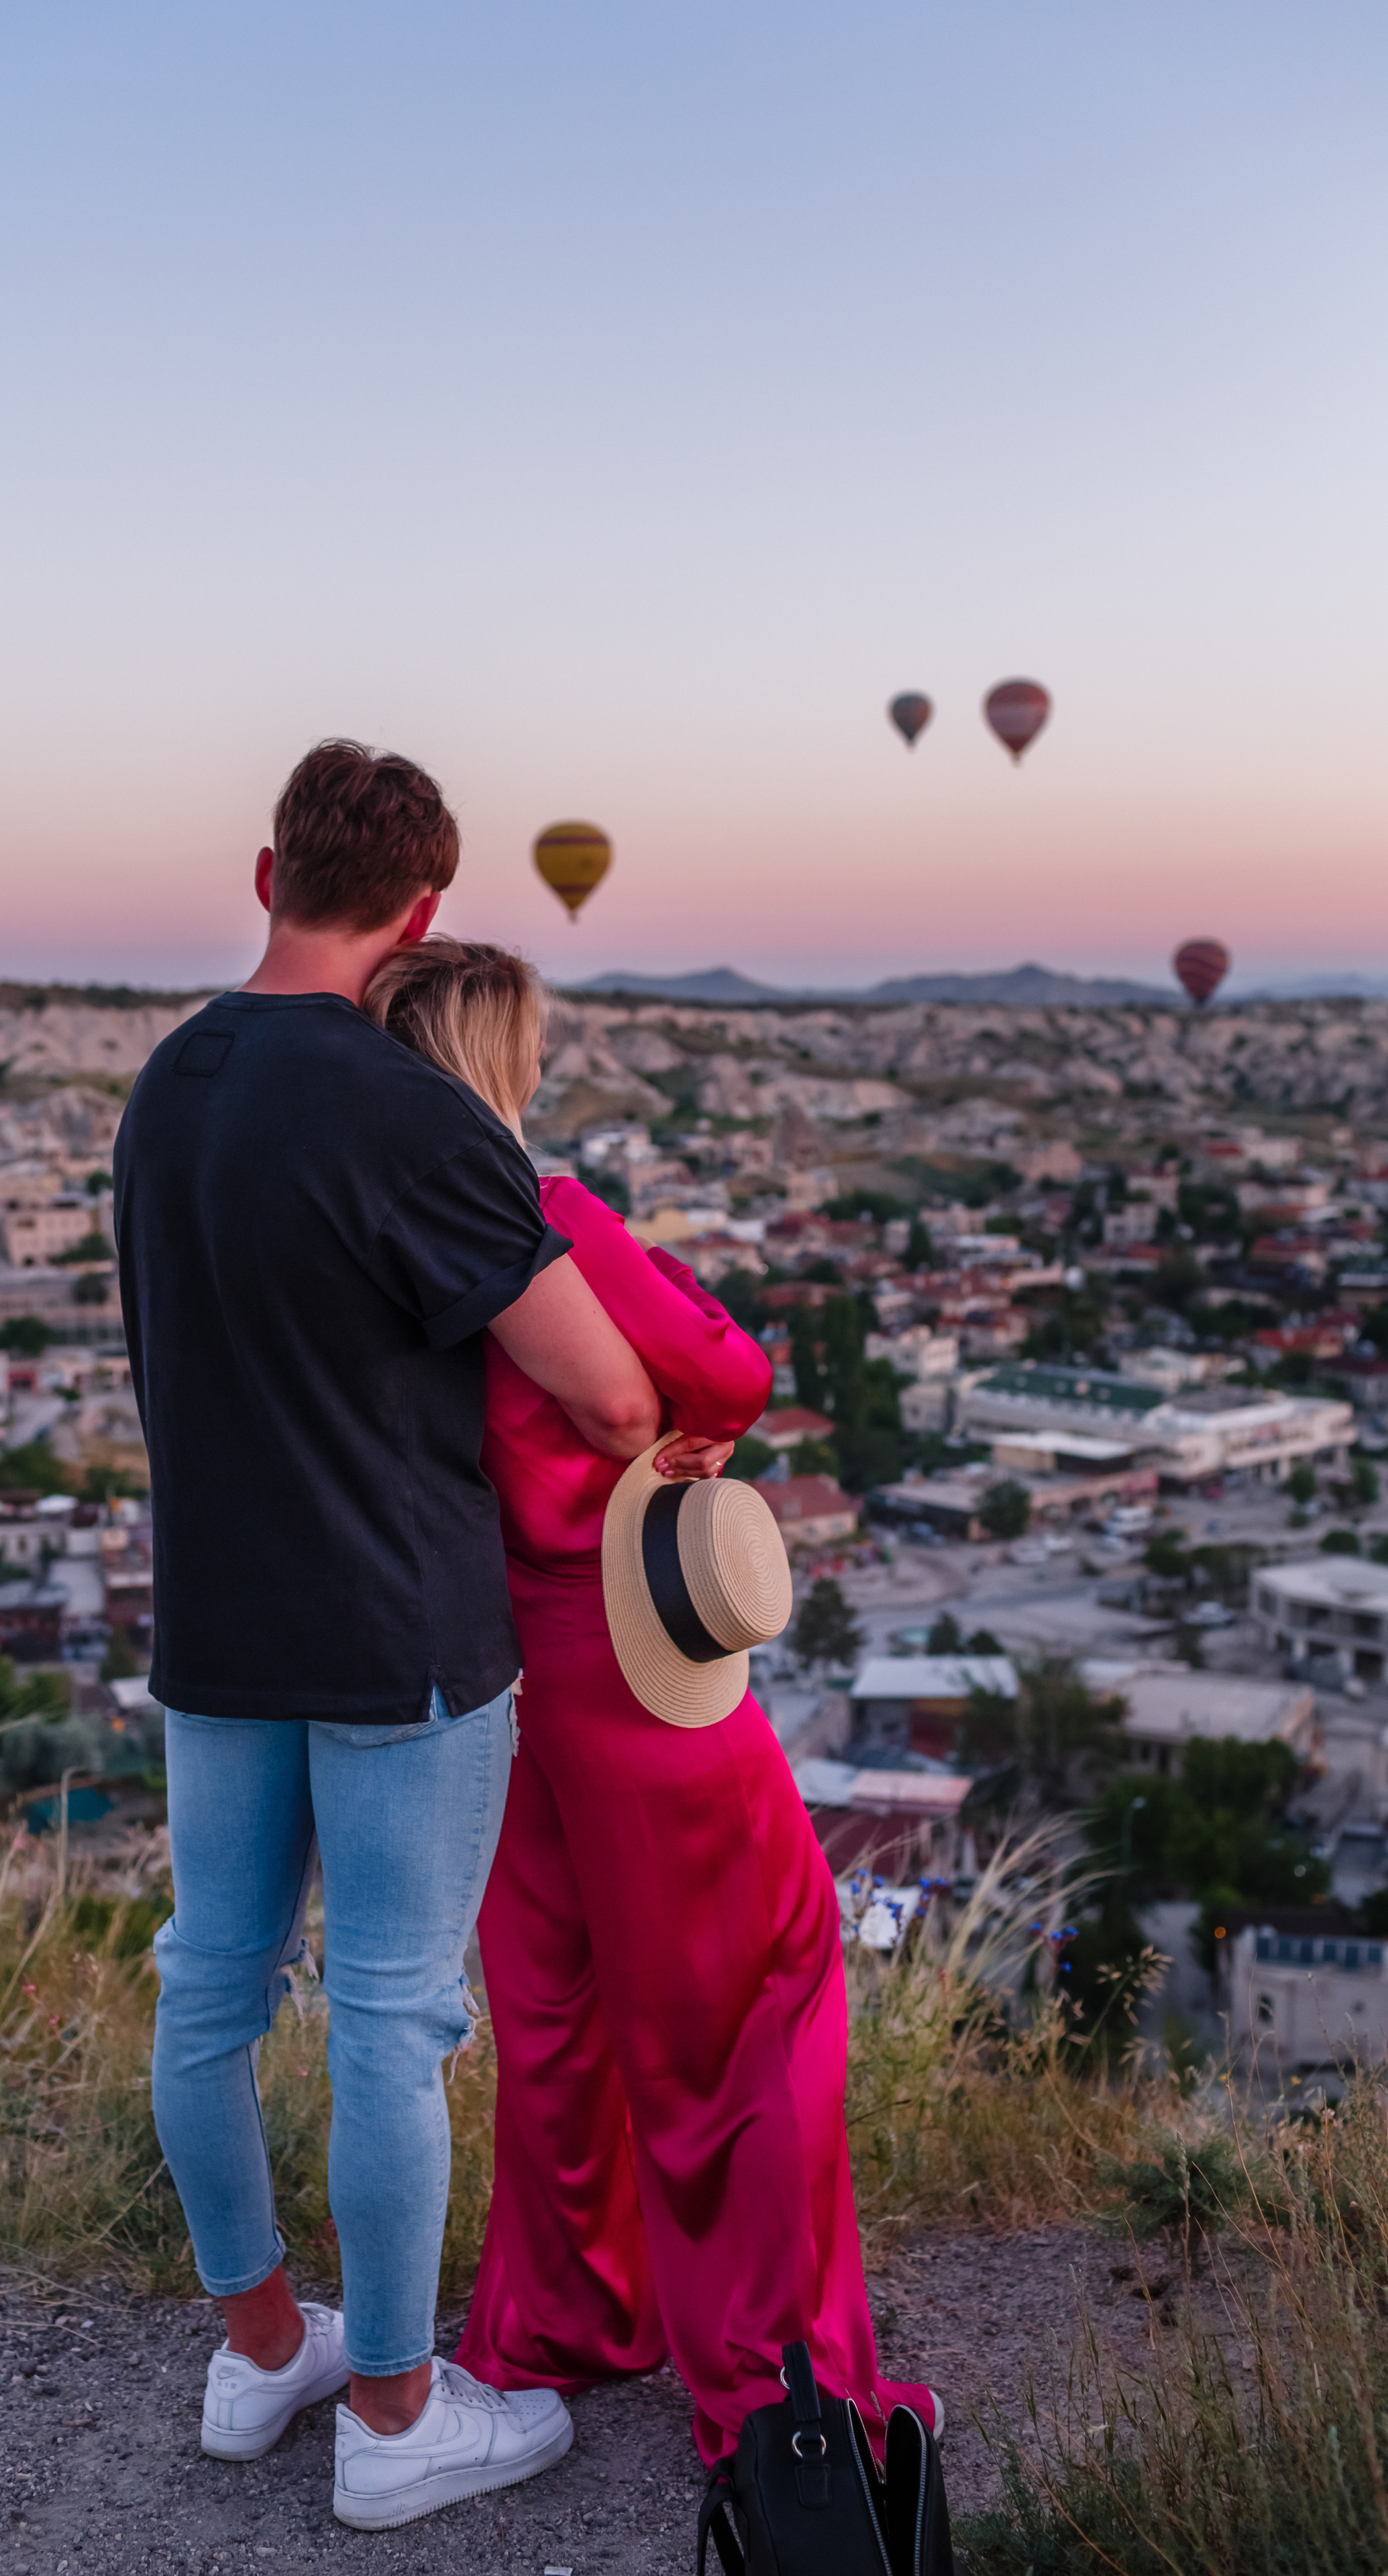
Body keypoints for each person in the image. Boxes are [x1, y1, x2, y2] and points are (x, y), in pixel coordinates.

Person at [114, 742, 697, 2530]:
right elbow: (606, 1394)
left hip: (219, 1619)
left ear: (267, 867)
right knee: (386, 2019)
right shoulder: (409, 1112)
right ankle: (390, 2415)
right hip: (397, 1630)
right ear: (425, 910)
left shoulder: (168, 1083)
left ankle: (262, 2346)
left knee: (209, 1987)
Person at [363, 936, 942, 2470]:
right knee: (758, 1991)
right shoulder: (532, 1214)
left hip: (490, 1673)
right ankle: (780, 2388)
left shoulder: (361, 1232)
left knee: (553, 2010)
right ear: (500, 1060)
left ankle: (569, 2319)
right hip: (624, 1653)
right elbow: (728, 1374)